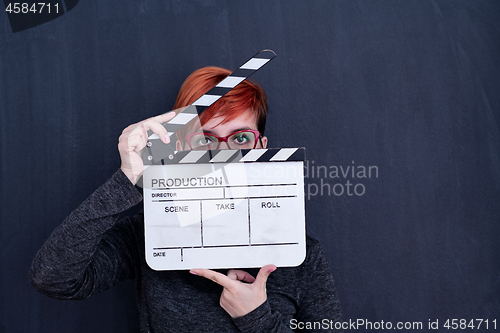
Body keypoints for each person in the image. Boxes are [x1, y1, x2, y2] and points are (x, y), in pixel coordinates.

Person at [30, 66, 343, 332]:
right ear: (181, 147)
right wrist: (127, 180)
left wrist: (256, 318)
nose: (224, 153)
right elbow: (53, 279)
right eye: (206, 138)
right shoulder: (148, 235)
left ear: (261, 146)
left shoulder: (301, 255)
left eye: (240, 137)